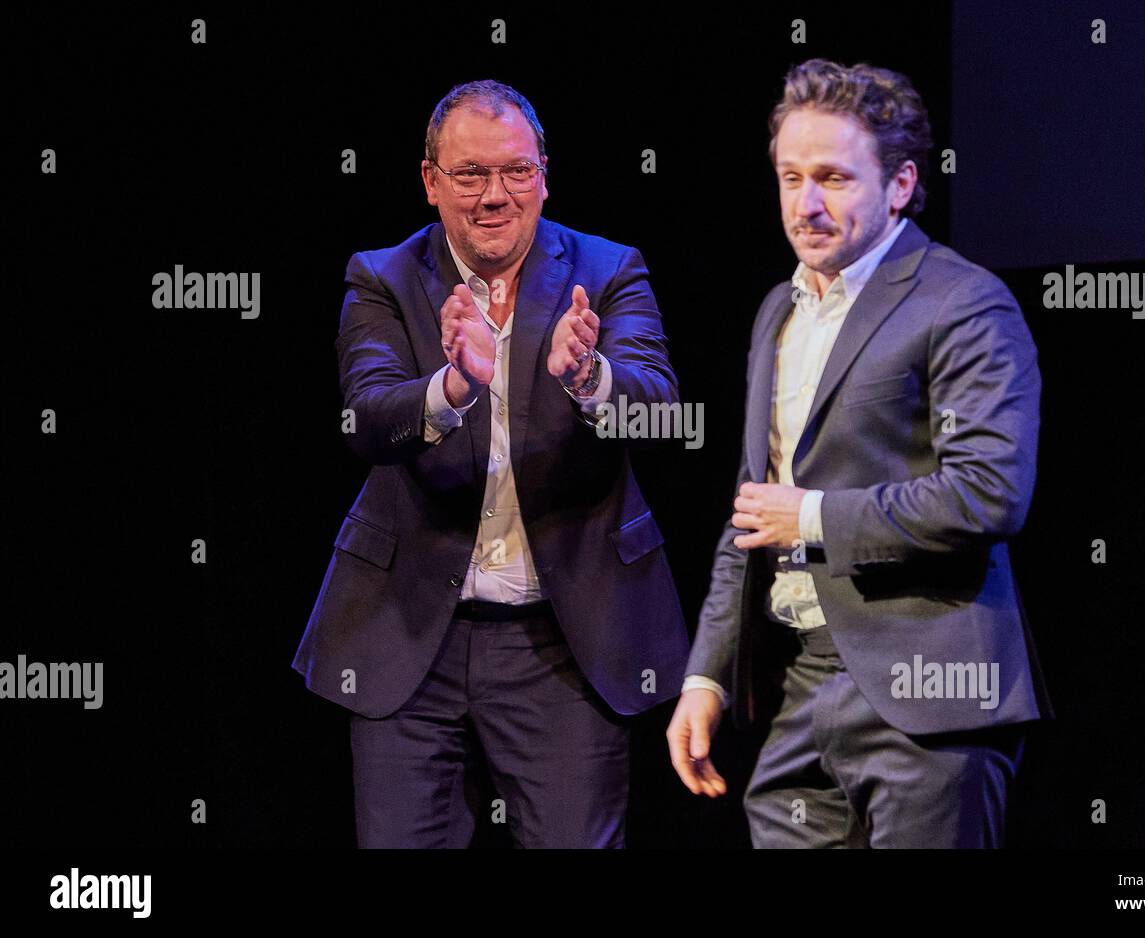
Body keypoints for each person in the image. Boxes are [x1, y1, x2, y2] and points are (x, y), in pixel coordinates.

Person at [667, 59, 1054, 848]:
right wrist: (706, 672)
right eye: (790, 177)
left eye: (835, 179)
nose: (806, 204)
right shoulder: (779, 309)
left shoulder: (962, 301)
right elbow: (752, 506)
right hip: (799, 686)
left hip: (929, 695)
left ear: (902, 185)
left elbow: (988, 493)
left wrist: (809, 516)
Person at [293, 79, 689, 848]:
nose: (494, 196)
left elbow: (662, 410)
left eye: (516, 171)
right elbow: (367, 420)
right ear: (431, 181)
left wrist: (589, 377)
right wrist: (452, 386)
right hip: (410, 636)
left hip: (566, 641)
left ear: (545, 172)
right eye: (469, 174)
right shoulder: (383, 276)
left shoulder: (607, 270)